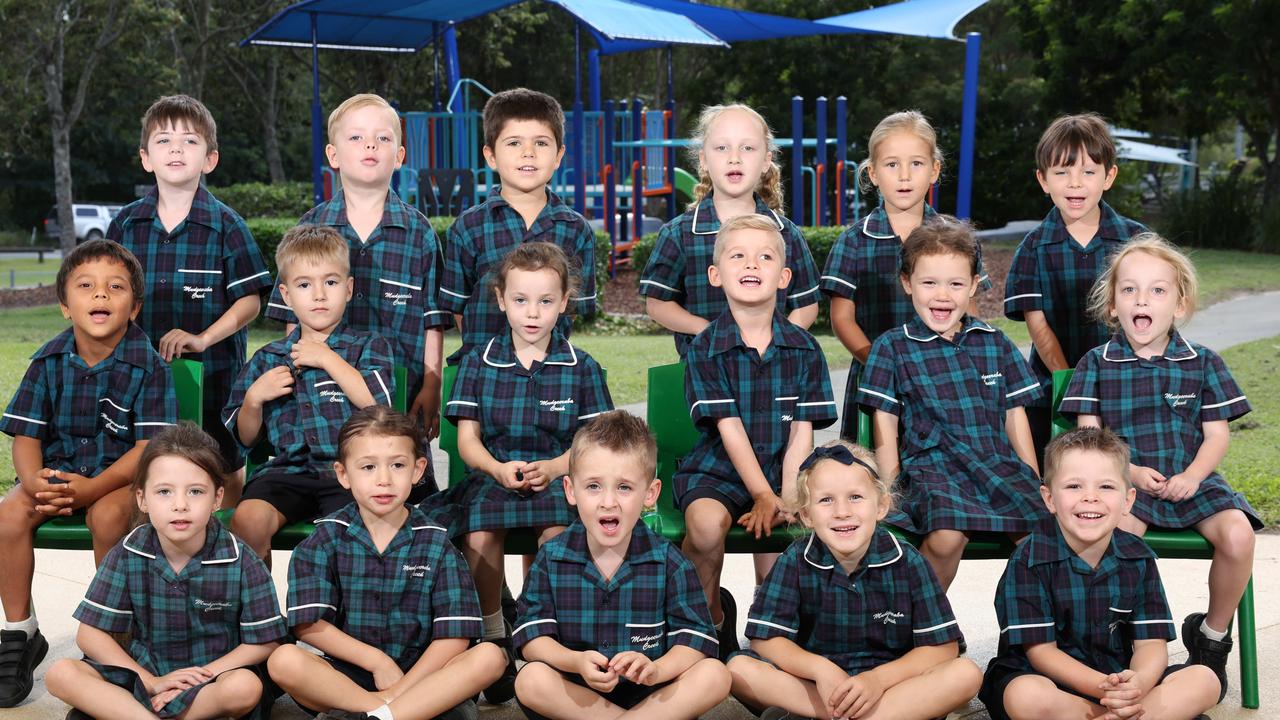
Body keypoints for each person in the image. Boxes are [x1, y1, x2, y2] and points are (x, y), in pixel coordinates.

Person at [1059, 234, 1259, 694]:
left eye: (1157, 290)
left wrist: (1192, 476)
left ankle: (1211, 638)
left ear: (1180, 305)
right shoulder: (1097, 363)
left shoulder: (1203, 362)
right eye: (1129, 290)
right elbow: (1089, 440)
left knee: (1238, 534)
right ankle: (1118, 640)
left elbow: (1216, 435)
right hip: (1124, 485)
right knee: (1113, 538)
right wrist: (1126, 472)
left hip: (1193, 480)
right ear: (1113, 305)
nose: (1142, 300)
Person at [0, 240, 177, 706]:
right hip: (56, 475)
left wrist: (92, 489)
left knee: (106, 517)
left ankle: (111, 634)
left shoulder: (150, 367)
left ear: (134, 307)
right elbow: (27, 437)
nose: (100, 295)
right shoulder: (47, 362)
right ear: (64, 305)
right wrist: (35, 481)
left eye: (115, 287)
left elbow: (148, 449)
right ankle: (20, 633)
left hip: (121, 481)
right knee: (8, 515)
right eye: (86, 286)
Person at [445, 241, 613, 702]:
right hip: (492, 474)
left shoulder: (582, 367)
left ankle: (543, 633)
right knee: (479, 534)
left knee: (557, 533)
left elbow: (594, 443)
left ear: (564, 303)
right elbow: (467, 442)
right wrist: (498, 468)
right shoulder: (478, 362)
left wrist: (558, 465)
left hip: (559, 475)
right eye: (520, 300)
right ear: (501, 300)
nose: (532, 312)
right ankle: (493, 633)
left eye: (545, 301)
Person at [268, 406, 506, 720]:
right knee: (283, 660)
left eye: (397, 465)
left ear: (418, 470)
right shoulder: (323, 540)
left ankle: (379, 713)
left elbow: (455, 636)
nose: (384, 479)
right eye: (368, 467)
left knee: (490, 656)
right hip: (347, 679)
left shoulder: (437, 543)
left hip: (425, 678)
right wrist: (376, 662)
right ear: (343, 474)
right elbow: (309, 625)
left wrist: (401, 687)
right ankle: (393, 712)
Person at [674, 214, 837, 658]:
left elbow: (802, 432)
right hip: (719, 469)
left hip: (787, 469)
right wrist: (764, 495)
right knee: (706, 529)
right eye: (738, 256)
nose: (751, 264)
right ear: (715, 274)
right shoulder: (705, 348)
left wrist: (787, 495)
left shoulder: (805, 349)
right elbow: (728, 430)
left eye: (765, 256)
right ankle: (708, 626)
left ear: (783, 277)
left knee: (820, 521)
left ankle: (778, 636)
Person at [45, 422, 286, 720]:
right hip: (144, 675)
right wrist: (152, 682)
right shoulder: (127, 552)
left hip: (211, 680)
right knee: (61, 673)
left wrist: (200, 677)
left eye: (196, 491)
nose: (180, 505)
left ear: (218, 498)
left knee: (245, 687)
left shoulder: (241, 560)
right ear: (142, 499)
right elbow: (90, 634)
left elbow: (265, 641)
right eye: (164, 492)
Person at [727, 440, 982, 720]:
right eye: (826, 500)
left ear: (882, 506)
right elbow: (766, 639)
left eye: (855, 497)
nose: (842, 511)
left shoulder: (909, 562)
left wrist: (877, 680)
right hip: (819, 686)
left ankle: (824, 715)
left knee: (965, 674)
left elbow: (943, 648)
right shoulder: (795, 560)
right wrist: (820, 669)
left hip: (890, 687)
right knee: (738, 669)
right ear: (806, 515)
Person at [979, 426, 1221, 720]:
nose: (1090, 497)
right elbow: (1041, 653)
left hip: (1119, 679)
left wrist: (1139, 684)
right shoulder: (1029, 560)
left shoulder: (1138, 558)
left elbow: (1150, 644)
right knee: (1026, 696)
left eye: (1106, 486)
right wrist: (1104, 688)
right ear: (1049, 498)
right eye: (1074, 486)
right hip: (1049, 681)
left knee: (1205, 680)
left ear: (1128, 500)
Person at [856, 216, 1044, 590]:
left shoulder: (995, 343)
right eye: (929, 283)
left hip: (997, 466)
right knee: (947, 536)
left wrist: (1034, 479)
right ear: (907, 283)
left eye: (956, 284)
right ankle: (922, 620)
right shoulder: (892, 347)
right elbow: (885, 425)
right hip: (933, 469)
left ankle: (1029, 628)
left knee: (1041, 536)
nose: (943, 295)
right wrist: (889, 489)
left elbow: (1015, 417)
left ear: (974, 285)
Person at [262, 93, 450, 463]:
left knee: (406, 494)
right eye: (356, 138)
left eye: (382, 138)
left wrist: (432, 383)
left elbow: (433, 319)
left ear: (399, 156)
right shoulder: (310, 228)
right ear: (333, 156)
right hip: (322, 397)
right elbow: (291, 318)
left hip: (396, 401)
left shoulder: (419, 232)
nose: (370, 145)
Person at [513, 410, 731, 720]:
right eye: (594, 486)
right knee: (531, 679)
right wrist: (575, 661)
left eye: (625, 487)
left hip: (652, 695)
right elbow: (532, 639)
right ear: (570, 491)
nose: (608, 501)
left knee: (714, 674)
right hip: (580, 694)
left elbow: (696, 641)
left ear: (650, 494)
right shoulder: (551, 557)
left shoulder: (671, 563)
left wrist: (657, 669)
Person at [109, 94, 273, 501]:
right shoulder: (126, 224)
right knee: (145, 475)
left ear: (210, 159)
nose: (177, 149)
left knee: (223, 471)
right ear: (146, 157)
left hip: (216, 375)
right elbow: (104, 292)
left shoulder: (228, 225)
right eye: (164, 141)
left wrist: (202, 339)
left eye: (190, 141)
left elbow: (250, 301)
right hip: (137, 380)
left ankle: (232, 559)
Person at [225, 225, 396, 561]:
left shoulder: (368, 347)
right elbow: (245, 438)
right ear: (286, 296)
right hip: (288, 472)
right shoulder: (270, 358)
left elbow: (379, 406)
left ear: (348, 289)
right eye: (305, 285)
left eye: (330, 283)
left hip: (351, 473)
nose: (319, 295)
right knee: (247, 519)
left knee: (353, 531)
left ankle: (340, 610)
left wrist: (329, 359)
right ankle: (261, 611)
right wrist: (254, 398)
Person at [821, 110, 991, 441]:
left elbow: (969, 312)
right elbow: (842, 318)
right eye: (891, 164)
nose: (904, 176)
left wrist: (955, 361)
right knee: (874, 477)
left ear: (934, 170)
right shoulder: (854, 241)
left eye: (916, 163)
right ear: (872, 172)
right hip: (874, 381)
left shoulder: (957, 239)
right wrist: (882, 364)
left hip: (943, 377)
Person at [1003, 113, 1147, 464]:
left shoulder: (1136, 242)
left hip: (1126, 381)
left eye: (1088, 171)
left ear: (1108, 176)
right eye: (1062, 172)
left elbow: (1151, 317)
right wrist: (1070, 382)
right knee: (1051, 466)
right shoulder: (1033, 247)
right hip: (1054, 384)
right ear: (1043, 180)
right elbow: (1038, 326)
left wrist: (1120, 376)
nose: (1075, 184)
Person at [640, 103, 820, 357]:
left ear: (766, 160)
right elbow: (657, 303)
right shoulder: (679, 234)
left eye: (747, 148)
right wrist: (702, 329)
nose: (734, 157)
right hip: (703, 372)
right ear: (704, 159)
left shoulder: (786, 234)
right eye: (722, 148)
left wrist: (778, 342)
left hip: (774, 375)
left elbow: (807, 304)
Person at [439, 87, 597, 364]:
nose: (528, 153)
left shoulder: (576, 230)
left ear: (558, 156)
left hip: (550, 372)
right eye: (514, 143)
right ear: (490, 156)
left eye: (541, 143)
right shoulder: (468, 227)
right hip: (481, 373)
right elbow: (458, 309)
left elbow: (570, 308)